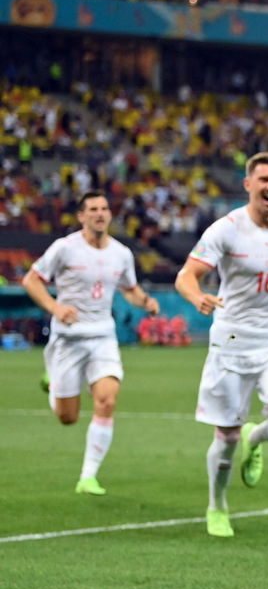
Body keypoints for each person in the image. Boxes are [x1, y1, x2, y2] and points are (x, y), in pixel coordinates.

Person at [175, 151, 268, 538]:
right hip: (233, 339)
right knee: (226, 435)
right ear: (248, 185)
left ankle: (259, 438)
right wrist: (196, 297)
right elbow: (187, 275)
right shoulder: (227, 229)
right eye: (263, 179)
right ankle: (217, 506)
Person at [21, 190, 160, 495]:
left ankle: (88, 476)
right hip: (68, 340)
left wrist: (146, 301)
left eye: (104, 208)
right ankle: (53, 383)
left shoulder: (121, 253)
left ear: (110, 214)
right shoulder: (64, 248)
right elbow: (31, 280)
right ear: (82, 216)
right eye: (93, 209)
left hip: (103, 337)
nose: (100, 213)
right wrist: (56, 308)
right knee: (67, 417)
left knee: (107, 399)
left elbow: (130, 289)